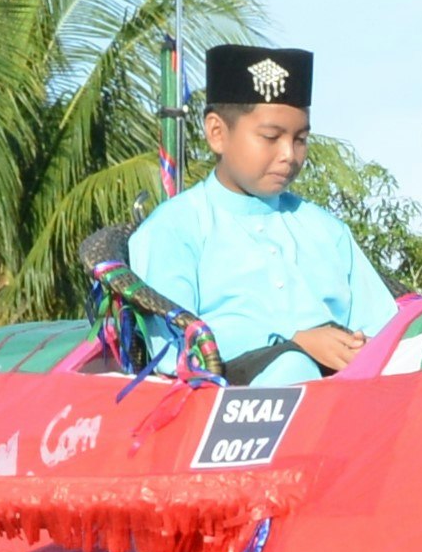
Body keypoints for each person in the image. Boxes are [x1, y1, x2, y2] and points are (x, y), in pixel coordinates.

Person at [125, 47, 397, 383]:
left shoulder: (327, 231)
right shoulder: (174, 228)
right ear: (217, 133)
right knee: (293, 367)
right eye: (271, 137)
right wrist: (292, 340)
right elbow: (172, 347)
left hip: (344, 394)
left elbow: (386, 325)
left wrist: (359, 347)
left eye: (300, 139)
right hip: (228, 393)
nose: (289, 155)